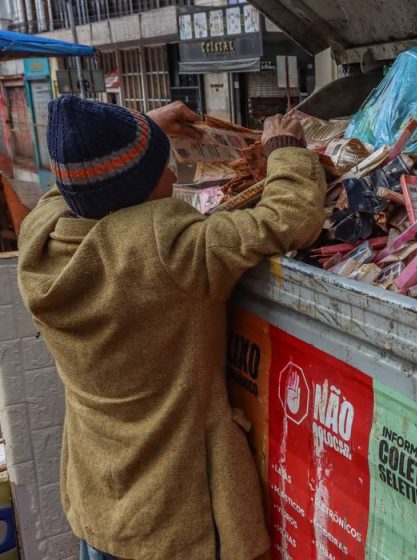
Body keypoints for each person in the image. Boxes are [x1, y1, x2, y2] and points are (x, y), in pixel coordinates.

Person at [16, 96, 326, 560]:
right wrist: (284, 150)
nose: (172, 174)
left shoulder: (39, 241)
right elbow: (290, 216)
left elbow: (72, 188)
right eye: (163, 165)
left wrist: (146, 128)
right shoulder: (171, 252)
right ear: (141, 189)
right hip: (176, 518)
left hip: (101, 500)